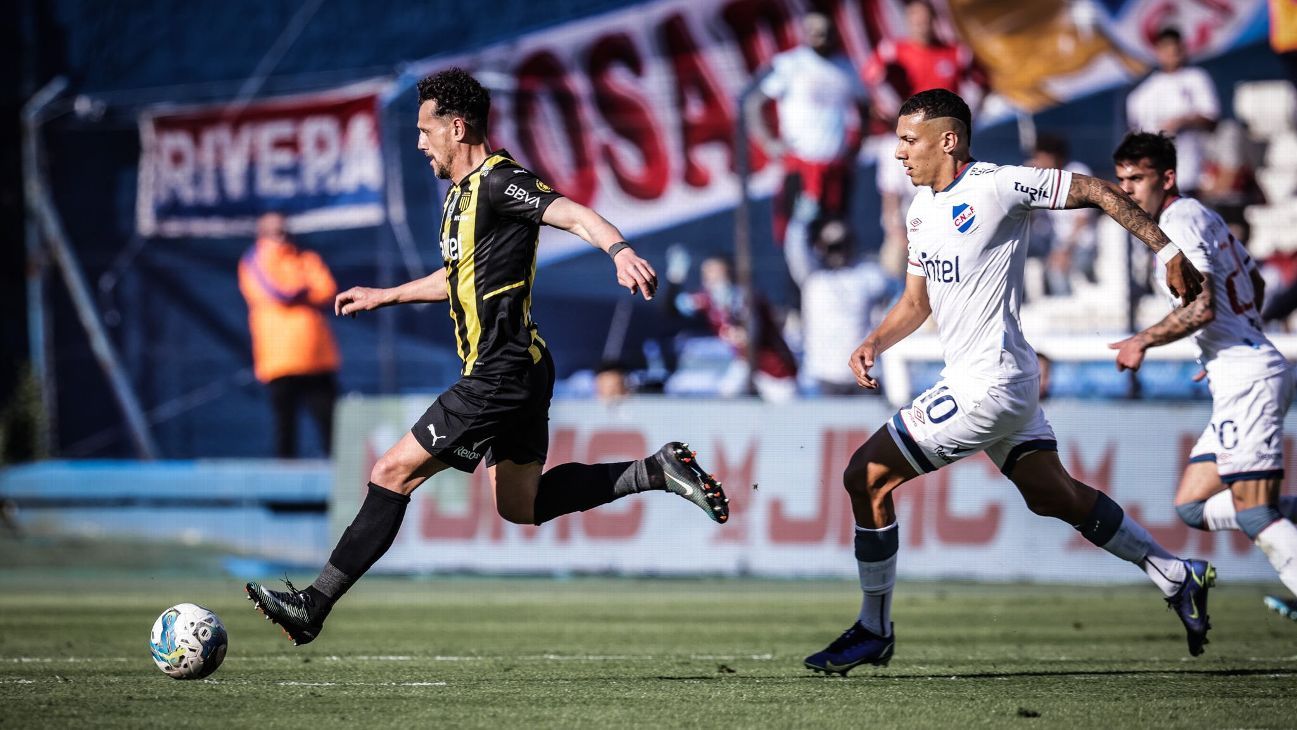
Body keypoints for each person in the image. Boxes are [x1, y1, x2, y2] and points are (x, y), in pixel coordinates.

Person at [245, 68, 730, 645]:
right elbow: (460, 277)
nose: (419, 142)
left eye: (425, 131)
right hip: (520, 368)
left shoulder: (501, 182)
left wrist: (619, 251)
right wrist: (388, 294)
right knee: (519, 507)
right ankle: (656, 469)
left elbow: (573, 214)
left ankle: (313, 604)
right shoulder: (458, 199)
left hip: (499, 372)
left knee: (389, 472)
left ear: (457, 126)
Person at [803, 89, 1212, 676]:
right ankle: (1176, 573)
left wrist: (1167, 249)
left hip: (986, 385)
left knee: (864, 476)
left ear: (949, 140)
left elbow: (1095, 189)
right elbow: (918, 301)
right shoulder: (920, 210)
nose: (898, 154)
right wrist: (874, 341)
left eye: (908, 140)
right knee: (1055, 497)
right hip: (997, 380)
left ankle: (874, 628)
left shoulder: (997, 185)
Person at [1107, 131, 1297, 622]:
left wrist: (1142, 339)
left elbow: (1205, 305)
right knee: (1193, 507)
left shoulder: (1178, 223)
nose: (1127, 190)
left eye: (1138, 179)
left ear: (1167, 178)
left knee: (1254, 513)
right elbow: (1252, 281)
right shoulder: (1200, 215)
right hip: (1238, 367)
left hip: (1247, 376)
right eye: (1121, 179)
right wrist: (1217, 349)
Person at [865, 0, 986, 278]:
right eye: (915, 19)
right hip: (904, 139)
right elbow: (872, 83)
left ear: (934, 21)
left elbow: (980, 86)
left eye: (925, 19)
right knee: (896, 214)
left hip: (941, 146)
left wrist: (963, 125)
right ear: (907, 22)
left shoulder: (955, 53)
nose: (921, 25)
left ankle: (954, 275)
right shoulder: (893, 51)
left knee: (948, 208)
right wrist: (892, 111)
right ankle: (895, 282)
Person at [744, 12, 869, 249]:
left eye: (825, 31)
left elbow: (864, 106)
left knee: (836, 232)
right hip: (802, 168)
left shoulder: (845, 66)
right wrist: (769, 142)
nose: (820, 37)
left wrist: (857, 145)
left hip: (837, 167)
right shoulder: (791, 64)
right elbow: (753, 103)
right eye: (814, 31)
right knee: (798, 234)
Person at [238, 212, 340, 458]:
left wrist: (301, 292)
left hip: (318, 359)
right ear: (262, 235)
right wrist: (303, 291)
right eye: (274, 232)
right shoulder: (254, 260)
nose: (280, 236)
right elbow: (277, 293)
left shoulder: (307, 258)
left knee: (332, 428)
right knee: (285, 429)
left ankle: (343, 489)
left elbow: (327, 289)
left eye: (283, 230)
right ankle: (284, 495)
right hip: (280, 361)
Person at [664, 251, 799, 401]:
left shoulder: (747, 298)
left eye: (716, 272)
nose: (710, 278)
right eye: (706, 272)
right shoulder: (708, 299)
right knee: (726, 400)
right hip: (744, 363)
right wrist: (675, 279)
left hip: (773, 369)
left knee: (786, 416)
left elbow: (749, 334)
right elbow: (672, 308)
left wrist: (733, 312)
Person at [785, 216, 897, 395]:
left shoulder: (869, 275)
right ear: (820, 247)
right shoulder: (813, 278)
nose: (838, 252)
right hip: (823, 376)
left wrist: (884, 317)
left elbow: (902, 295)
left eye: (842, 244)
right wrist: (800, 220)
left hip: (865, 374)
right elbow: (795, 249)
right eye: (832, 246)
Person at [1125, 27, 1220, 197]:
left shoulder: (1196, 78)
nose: (1172, 53)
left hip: (1192, 174)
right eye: (1166, 48)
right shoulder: (1141, 95)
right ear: (1157, 52)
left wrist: (1183, 121)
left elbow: (1212, 120)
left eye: (1176, 47)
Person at [1026, 134, 1098, 296]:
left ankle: (1066, 310)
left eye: (1040, 158)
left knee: (1057, 270)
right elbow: (1028, 213)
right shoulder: (1044, 178)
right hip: (1055, 242)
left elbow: (1082, 221)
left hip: (1081, 245)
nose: (1037, 163)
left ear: (1052, 157)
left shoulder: (1078, 173)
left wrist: (1064, 251)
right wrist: (1026, 178)